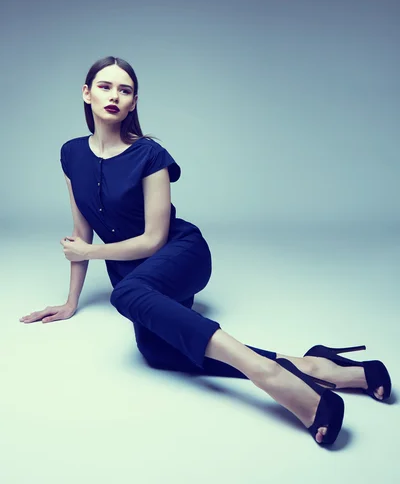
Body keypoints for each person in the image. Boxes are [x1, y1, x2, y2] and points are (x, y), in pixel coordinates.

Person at [19, 56, 392, 446]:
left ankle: (274, 380)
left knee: (126, 294)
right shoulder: (71, 154)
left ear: (133, 103)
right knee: (157, 352)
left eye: (124, 90)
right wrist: (70, 301)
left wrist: (90, 253)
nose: (114, 95)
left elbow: (152, 241)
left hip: (182, 257)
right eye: (105, 86)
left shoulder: (150, 155)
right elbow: (81, 235)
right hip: (138, 282)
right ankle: (319, 366)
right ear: (86, 93)